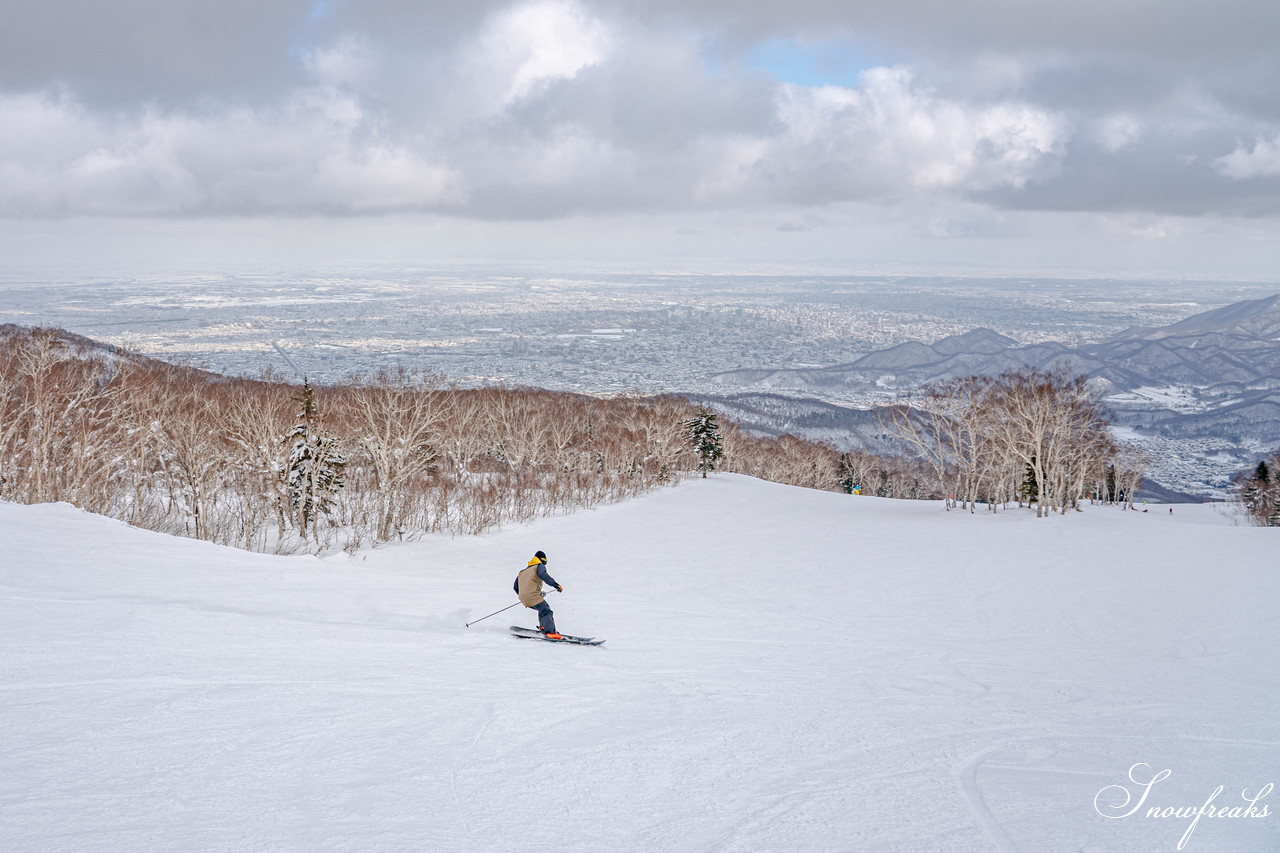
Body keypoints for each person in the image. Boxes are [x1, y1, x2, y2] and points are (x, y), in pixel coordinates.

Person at [514, 550, 563, 639]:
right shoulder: (539, 566)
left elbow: (515, 587)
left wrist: (525, 594)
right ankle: (550, 632)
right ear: (543, 560)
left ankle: (544, 627)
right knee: (547, 611)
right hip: (532, 596)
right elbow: (544, 575)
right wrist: (556, 585)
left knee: (542, 609)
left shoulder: (523, 571)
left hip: (522, 598)